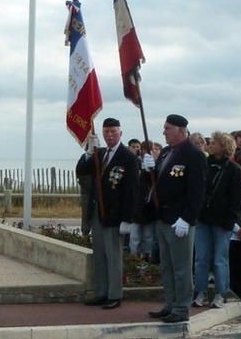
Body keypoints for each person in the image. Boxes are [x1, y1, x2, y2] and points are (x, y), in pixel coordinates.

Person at [147, 114, 207, 323]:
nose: (164, 132)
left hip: (179, 219)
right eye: (164, 128)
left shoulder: (194, 155)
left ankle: (182, 307)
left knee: (181, 268)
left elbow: (197, 192)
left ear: (182, 131)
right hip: (163, 217)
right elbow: (158, 183)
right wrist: (149, 170)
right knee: (167, 266)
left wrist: (187, 218)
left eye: (168, 128)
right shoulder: (166, 153)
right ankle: (170, 303)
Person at [77, 118, 138, 310]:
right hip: (97, 212)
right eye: (106, 132)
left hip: (115, 214)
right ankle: (102, 291)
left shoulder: (127, 157)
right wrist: (89, 152)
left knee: (113, 255)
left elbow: (132, 190)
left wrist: (127, 219)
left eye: (113, 132)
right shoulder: (100, 154)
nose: (109, 135)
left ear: (120, 133)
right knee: (100, 254)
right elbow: (81, 170)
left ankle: (114, 294)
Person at [192, 131, 241, 309]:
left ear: (223, 145)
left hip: (222, 221)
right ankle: (200, 292)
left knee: (220, 259)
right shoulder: (204, 164)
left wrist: (230, 221)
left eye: (213, 142)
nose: (209, 144)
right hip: (203, 219)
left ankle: (221, 293)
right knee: (201, 258)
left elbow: (236, 199)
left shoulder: (234, 169)